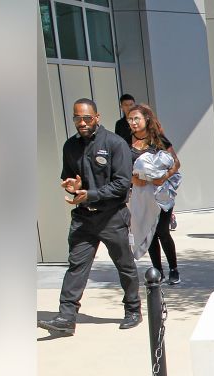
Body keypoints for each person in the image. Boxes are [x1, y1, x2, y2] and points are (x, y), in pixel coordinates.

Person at [38, 99, 141, 336]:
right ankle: (66, 317)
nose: (82, 123)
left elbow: (122, 184)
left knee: (124, 265)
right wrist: (72, 186)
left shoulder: (115, 144)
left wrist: (91, 194)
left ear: (97, 117)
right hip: (84, 219)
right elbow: (70, 179)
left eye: (86, 118)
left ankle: (133, 310)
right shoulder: (70, 146)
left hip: (112, 217)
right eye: (77, 118)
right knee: (76, 266)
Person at [127, 104, 183, 284]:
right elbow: (121, 169)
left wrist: (163, 177)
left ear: (146, 120)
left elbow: (176, 163)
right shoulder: (126, 143)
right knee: (148, 232)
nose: (133, 123)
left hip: (161, 193)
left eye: (137, 119)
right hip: (140, 194)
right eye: (130, 119)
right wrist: (132, 180)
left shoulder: (158, 140)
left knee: (162, 230)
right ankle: (157, 270)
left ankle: (174, 269)